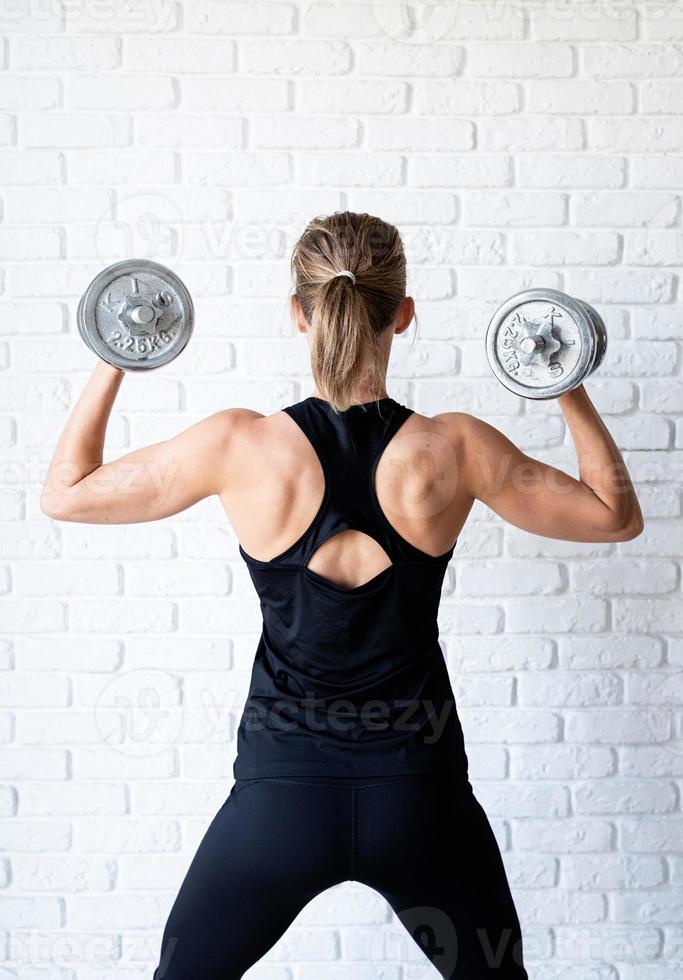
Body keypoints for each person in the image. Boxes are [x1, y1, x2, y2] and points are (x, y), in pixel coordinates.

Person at [41, 211, 643, 979]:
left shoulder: (240, 446)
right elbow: (612, 516)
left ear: (298, 312)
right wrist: (566, 383)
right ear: (404, 313)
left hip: (277, 808)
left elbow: (66, 493)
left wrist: (112, 355)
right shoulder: (453, 448)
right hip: (417, 800)